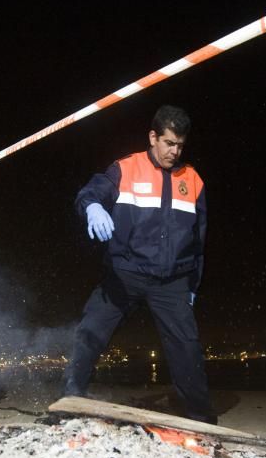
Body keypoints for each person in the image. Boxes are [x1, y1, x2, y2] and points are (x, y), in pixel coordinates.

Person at [61, 105, 217, 424]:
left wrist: (192, 287)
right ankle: (72, 399)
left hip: (171, 281)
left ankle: (202, 421)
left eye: (180, 145)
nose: (175, 151)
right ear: (153, 137)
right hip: (125, 274)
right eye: (169, 143)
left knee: (187, 351)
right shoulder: (126, 168)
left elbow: (198, 241)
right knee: (90, 331)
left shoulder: (194, 181)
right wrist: (92, 207)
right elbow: (90, 192)